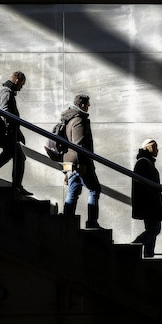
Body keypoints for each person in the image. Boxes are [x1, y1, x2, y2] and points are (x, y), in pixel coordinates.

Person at [0, 71, 32, 196]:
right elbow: (5, 113)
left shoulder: (6, 92)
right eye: (22, 84)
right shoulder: (6, 93)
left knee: (8, 155)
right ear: (17, 81)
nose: (21, 87)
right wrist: (12, 131)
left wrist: (17, 132)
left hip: (5, 132)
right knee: (19, 157)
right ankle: (17, 186)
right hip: (5, 133)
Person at [61, 94, 103, 229]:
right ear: (82, 105)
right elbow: (78, 145)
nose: (89, 106)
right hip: (80, 163)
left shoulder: (69, 119)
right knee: (95, 189)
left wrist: (66, 171)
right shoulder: (78, 120)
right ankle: (91, 222)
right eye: (87, 104)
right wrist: (83, 164)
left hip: (70, 162)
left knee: (73, 190)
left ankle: (67, 220)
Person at [131, 139, 162, 258]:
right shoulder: (144, 162)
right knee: (154, 229)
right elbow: (144, 186)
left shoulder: (146, 161)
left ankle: (149, 255)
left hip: (150, 203)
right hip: (149, 204)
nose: (157, 149)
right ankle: (134, 247)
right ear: (148, 147)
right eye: (155, 146)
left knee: (152, 229)